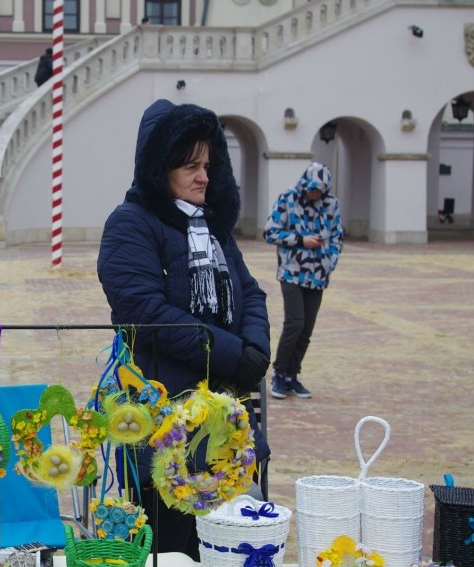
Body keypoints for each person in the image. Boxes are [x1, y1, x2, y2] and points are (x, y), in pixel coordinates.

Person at [97, 99, 271, 561]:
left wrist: (257, 348)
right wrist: (234, 354)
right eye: (190, 166)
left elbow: (251, 293)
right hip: (162, 422)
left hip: (226, 417)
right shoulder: (130, 225)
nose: (203, 177)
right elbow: (144, 311)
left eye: (207, 165)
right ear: (160, 167)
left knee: (226, 542)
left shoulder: (213, 228)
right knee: (170, 547)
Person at [263, 161, 343, 399]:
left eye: (318, 190)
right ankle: (278, 373)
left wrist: (329, 262)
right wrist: (301, 240)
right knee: (295, 323)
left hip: (318, 275)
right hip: (292, 272)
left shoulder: (331, 205)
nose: (314, 193)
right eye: (311, 188)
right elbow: (270, 231)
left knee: (307, 328)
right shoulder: (288, 198)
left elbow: (337, 236)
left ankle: (292, 375)